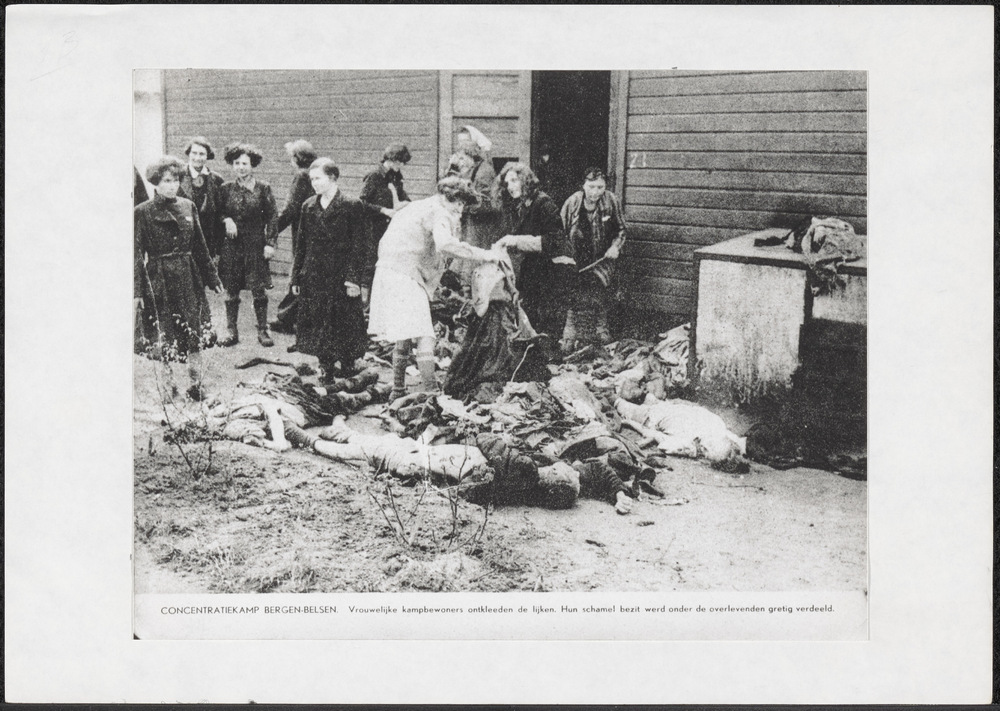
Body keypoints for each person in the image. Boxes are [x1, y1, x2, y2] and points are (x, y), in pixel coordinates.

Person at [368, 176, 502, 400]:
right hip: (406, 273)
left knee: (405, 333)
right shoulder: (440, 212)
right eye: (458, 203)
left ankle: (397, 389)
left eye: (463, 204)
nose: (460, 209)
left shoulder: (419, 206)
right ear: (448, 198)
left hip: (388, 270)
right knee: (425, 335)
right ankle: (431, 391)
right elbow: (445, 244)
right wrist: (484, 254)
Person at [134, 156, 224, 400]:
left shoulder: (187, 206)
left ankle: (196, 383)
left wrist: (213, 278)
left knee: (193, 330)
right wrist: (137, 291)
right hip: (159, 278)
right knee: (164, 332)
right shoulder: (142, 212)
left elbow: (200, 246)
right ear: (155, 182)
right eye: (166, 181)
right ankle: (168, 385)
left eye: (175, 180)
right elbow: (135, 255)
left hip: (187, 276)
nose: (172, 186)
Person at [290, 158, 368, 381]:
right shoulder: (308, 206)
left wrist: (354, 279)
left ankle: (348, 363)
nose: (314, 183)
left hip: (341, 276)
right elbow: (301, 244)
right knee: (319, 321)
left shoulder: (351, 205)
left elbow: (360, 246)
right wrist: (296, 278)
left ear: (332, 177)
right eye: (311, 179)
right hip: (315, 275)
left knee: (344, 321)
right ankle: (326, 367)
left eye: (318, 178)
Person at [493, 162, 576, 358]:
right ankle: (534, 357)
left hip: (557, 267)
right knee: (528, 312)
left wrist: (517, 241)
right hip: (537, 266)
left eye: (515, 180)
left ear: (526, 180)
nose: (510, 186)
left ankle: (548, 359)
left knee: (548, 318)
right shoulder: (521, 205)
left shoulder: (544, 204)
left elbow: (555, 241)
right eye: (507, 183)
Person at [216, 142, 278, 347]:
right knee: (231, 290)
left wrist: (270, 243)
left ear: (253, 165)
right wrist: (227, 220)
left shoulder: (263, 188)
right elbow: (218, 212)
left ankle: (263, 330)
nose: (241, 167)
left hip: (255, 245)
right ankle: (231, 331)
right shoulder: (225, 189)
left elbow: (272, 217)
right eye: (237, 163)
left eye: (245, 163)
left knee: (258, 289)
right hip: (232, 246)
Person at [560, 168, 627, 347]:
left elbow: (621, 229)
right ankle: (570, 329)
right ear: (583, 185)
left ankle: (601, 328)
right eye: (591, 187)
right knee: (573, 287)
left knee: (600, 287)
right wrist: (564, 256)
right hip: (576, 256)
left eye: (600, 187)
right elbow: (559, 232)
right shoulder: (572, 203)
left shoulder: (611, 201)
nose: (595, 192)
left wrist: (615, 246)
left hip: (602, 258)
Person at [177, 137, 226, 346]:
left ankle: (204, 330)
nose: (198, 157)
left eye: (202, 154)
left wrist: (217, 249)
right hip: (183, 241)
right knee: (185, 286)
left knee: (204, 287)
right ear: (188, 154)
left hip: (207, 241)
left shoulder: (216, 180)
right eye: (194, 153)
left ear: (208, 156)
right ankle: (185, 331)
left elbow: (221, 213)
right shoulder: (177, 176)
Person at [269, 139, 318, 341]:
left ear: (296, 158)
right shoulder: (315, 174)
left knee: (298, 274)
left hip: (303, 234)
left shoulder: (301, 176)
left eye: (291, 157)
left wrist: (272, 231)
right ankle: (294, 317)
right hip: (315, 232)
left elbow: (291, 209)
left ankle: (286, 318)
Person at [359, 143, 412, 306]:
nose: (401, 165)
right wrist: (383, 210)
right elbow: (362, 203)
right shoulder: (374, 176)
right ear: (391, 159)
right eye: (399, 162)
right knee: (370, 265)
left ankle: (378, 304)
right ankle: (363, 306)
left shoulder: (396, 177)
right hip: (371, 228)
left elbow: (403, 197)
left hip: (388, 229)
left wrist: (410, 205)